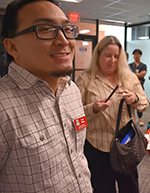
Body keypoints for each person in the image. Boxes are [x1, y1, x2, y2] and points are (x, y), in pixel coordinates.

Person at [0, 0, 92, 192]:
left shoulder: (71, 89)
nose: (63, 40)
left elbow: (77, 159)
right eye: (45, 29)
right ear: (12, 47)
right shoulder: (3, 107)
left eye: (67, 29)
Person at [76, 36, 149, 193]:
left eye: (116, 56)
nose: (113, 60)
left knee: (130, 188)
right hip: (97, 147)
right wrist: (92, 109)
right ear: (99, 55)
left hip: (126, 145)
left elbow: (144, 103)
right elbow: (75, 117)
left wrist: (134, 98)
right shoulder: (86, 79)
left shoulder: (128, 77)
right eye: (108, 55)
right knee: (102, 188)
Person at [129, 49, 147, 126]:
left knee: (139, 100)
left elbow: (143, 74)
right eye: (135, 54)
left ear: (140, 55)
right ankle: (131, 119)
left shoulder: (143, 65)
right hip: (130, 86)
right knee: (130, 101)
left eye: (138, 54)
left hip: (140, 86)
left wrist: (133, 74)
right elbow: (128, 75)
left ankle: (140, 118)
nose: (136, 56)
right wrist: (138, 74)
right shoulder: (129, 65)